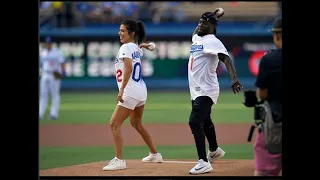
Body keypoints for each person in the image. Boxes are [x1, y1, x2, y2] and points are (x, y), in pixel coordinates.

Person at [187, 8, 243, 175]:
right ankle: (214, 150)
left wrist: (234, 78)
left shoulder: (213, 41)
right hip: (195, 89)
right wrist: (213, 14)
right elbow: (197, 29)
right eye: (200, 22)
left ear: (212, 26)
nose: (200, 25)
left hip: (207, 89)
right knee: (205, 120)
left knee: (194, 122)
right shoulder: (198, 37)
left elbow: (226, 59)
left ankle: (203, 162)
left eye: (204, 23)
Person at [102, 20, 163, 171]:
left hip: (130, 92)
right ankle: (155, 154)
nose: (119, 33)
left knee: (114, 124)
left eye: (123, 30)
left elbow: (128, 68)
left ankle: (119, 160)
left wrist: (121, 90)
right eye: (120, 30)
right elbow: (136, 50)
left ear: (132, 33)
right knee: (137, 124)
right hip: (141, 91)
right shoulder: (134, 47)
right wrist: (144, 45)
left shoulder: (125, 47)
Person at [253, 16, 282, 176]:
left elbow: (261, 94)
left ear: (276, 35)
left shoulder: (269, 59)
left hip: (276, 123)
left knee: (265, 170)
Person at [39, 37, 66, 120]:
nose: (48, 44)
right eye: (47, 43)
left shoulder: (57, 52)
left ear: (52, 43)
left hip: (55, 73)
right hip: (45, 73)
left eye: (49, 43)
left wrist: (63, 71)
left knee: (55, 95)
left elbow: (62, 62)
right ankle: (40, 114)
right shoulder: (43, 53)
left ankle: (53, 114)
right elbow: (41, 64)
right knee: (43, 95)